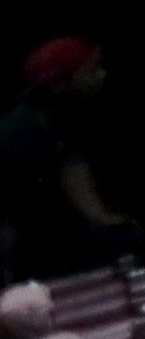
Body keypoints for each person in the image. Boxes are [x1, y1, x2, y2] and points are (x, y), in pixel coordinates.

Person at [0, 37, 128, 278]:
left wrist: (106, 221)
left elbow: (74, 172)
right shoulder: (17, 134)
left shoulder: (65, 119)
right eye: (90, 70)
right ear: (58, 83)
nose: (101, 75)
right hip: (40, 254)